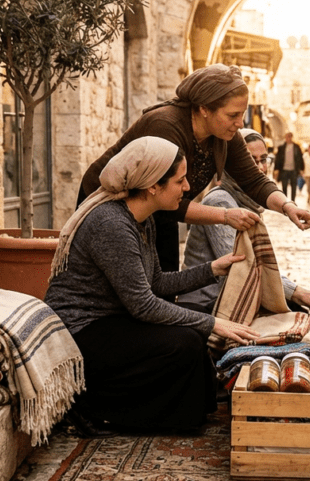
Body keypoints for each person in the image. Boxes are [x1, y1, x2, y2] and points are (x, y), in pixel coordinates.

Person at [47, 137, 260, 437]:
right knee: (184, 342)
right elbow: (143, 305)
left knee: (191, 336)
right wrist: (214, 324)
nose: (187, 188)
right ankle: (92, 407)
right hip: (81, 331)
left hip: (110, 319)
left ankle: (186, 414)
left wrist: (212, 269)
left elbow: (156, 282)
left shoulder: (142, 219)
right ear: (152, 186)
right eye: (180, 180)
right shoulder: (112, 224)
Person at [78, 64, 310, 272]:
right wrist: (226, 216)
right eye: (232, 115)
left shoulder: (225, 134)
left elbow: (254, 181)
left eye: (243, 115)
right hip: (114, 212)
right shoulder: (165, 126)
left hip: (163, 215)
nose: (240, 123)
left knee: (164, 284)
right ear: (204, 109)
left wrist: (287, 206)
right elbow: (162, 196)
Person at [180, 129, 310, 313]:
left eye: (263, 159)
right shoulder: (220, 201)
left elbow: (259, 267)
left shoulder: (249, 201)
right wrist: (297, 292)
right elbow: (243, 269)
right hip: (206, 304)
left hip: (237, 298)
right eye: (250, 161)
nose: (260, 168)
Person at [273, 131, 304, 201]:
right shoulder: (281, 148)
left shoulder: (296, 147)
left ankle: (293, 201)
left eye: (290, 137)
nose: (288, 138)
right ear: (285, 137)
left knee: (294, 187)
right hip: (284, 170)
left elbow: (300, 158)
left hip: (294, 170)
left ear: (292, 137)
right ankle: (285, 201)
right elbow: (278, 159)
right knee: (284, 186)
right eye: (287, 137)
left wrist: (301, 169)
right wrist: (276, 169)